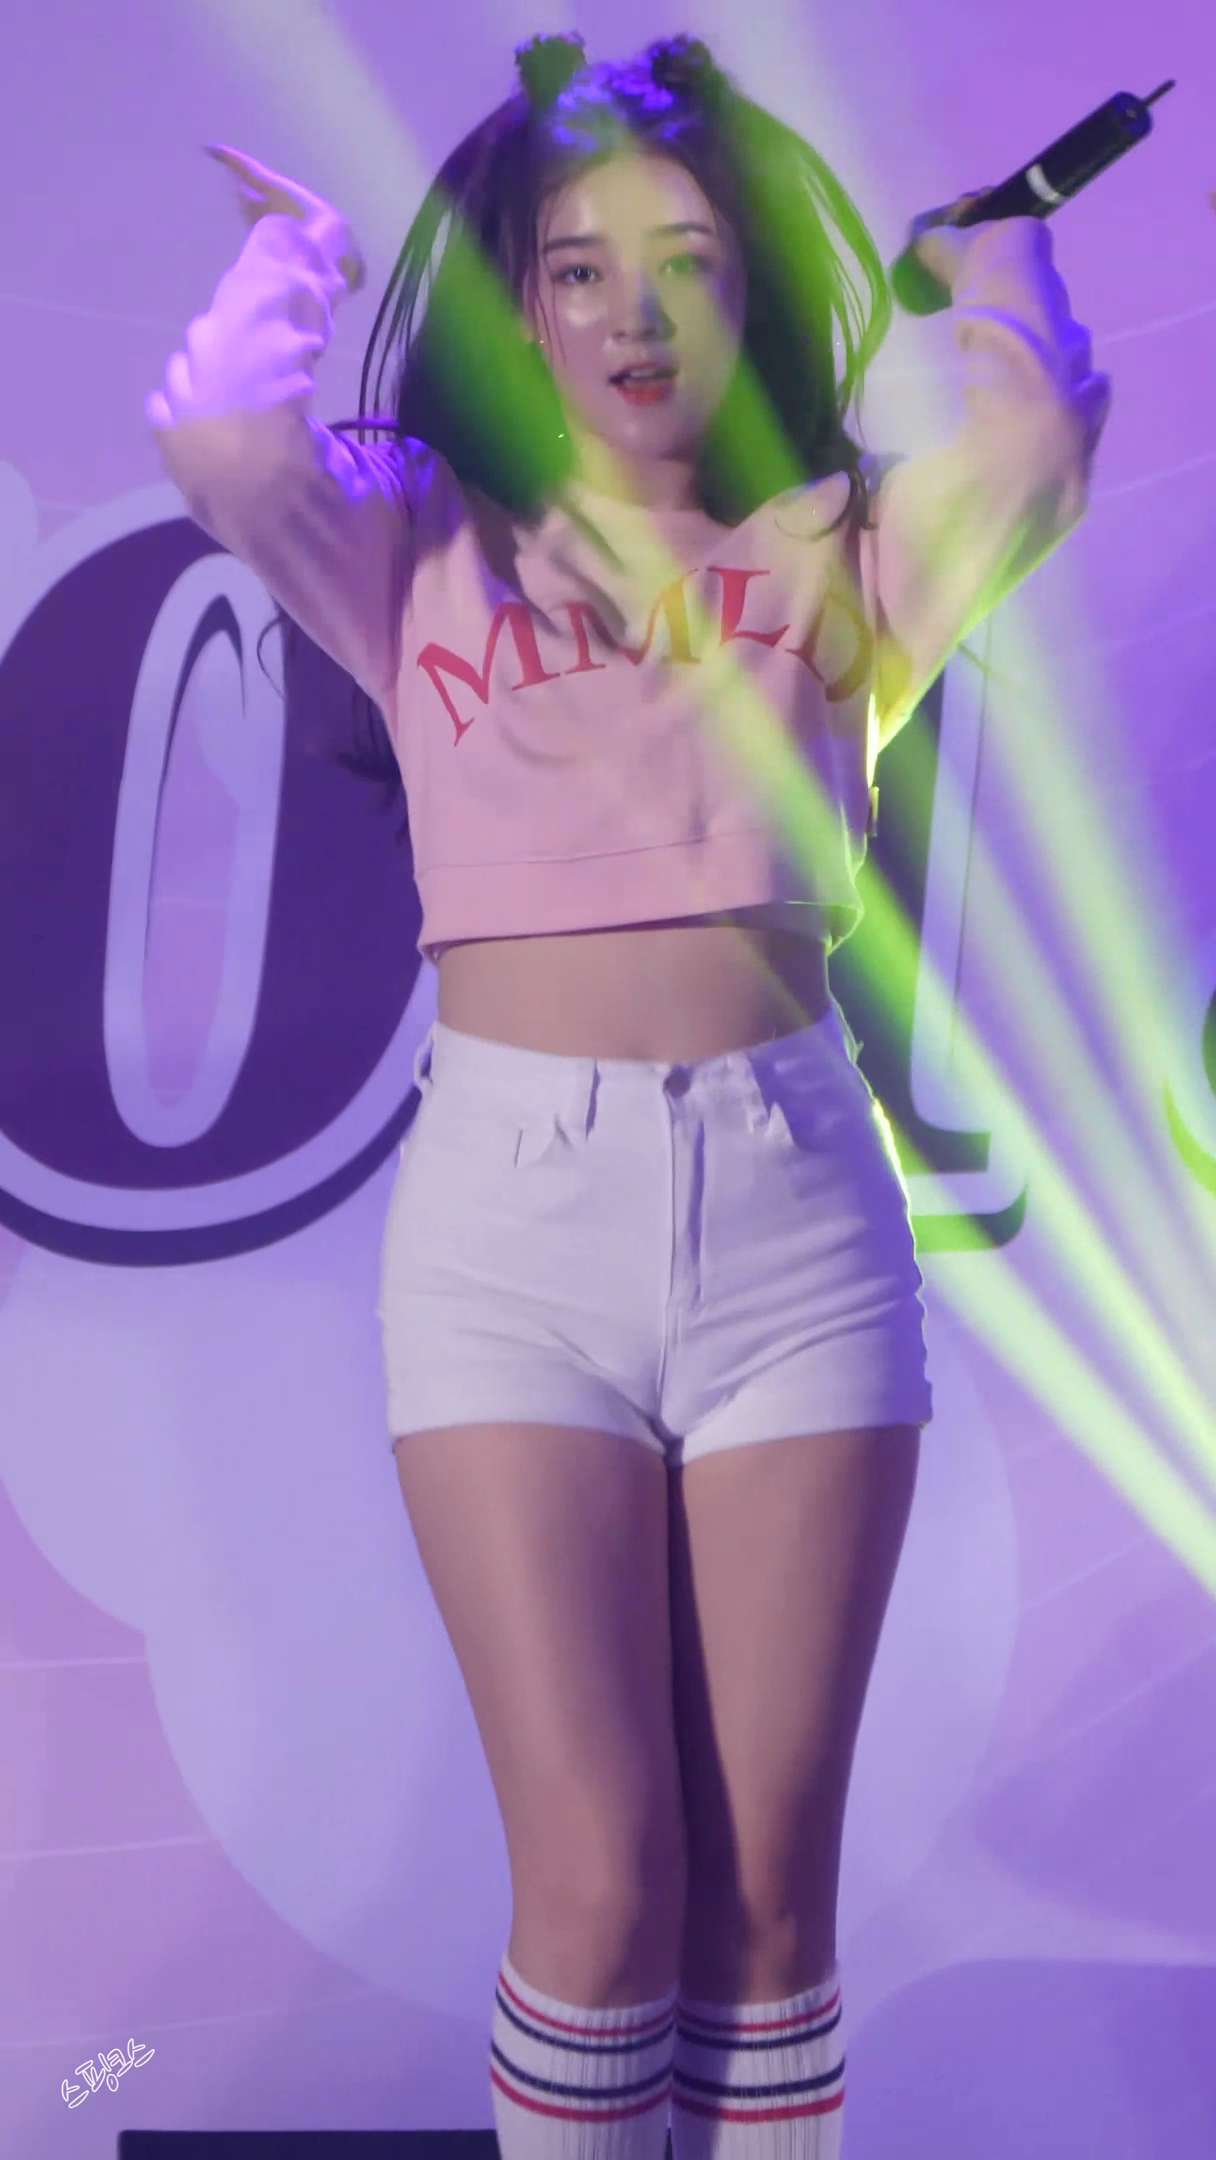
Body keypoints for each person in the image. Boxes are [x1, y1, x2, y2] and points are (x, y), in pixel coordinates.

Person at [147, 31, 1109, 2160]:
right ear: (519, 306)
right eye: (577, 269)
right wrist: (296, 261)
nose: (634, 313)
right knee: (594, 1895)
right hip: (511, 1237)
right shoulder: (416, 541)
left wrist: (992, 259)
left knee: (764, 1917)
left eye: (684, 261)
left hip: (797, 1220)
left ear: (748, 289)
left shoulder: (845, 546)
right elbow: (218, 437)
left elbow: (1041, 446)